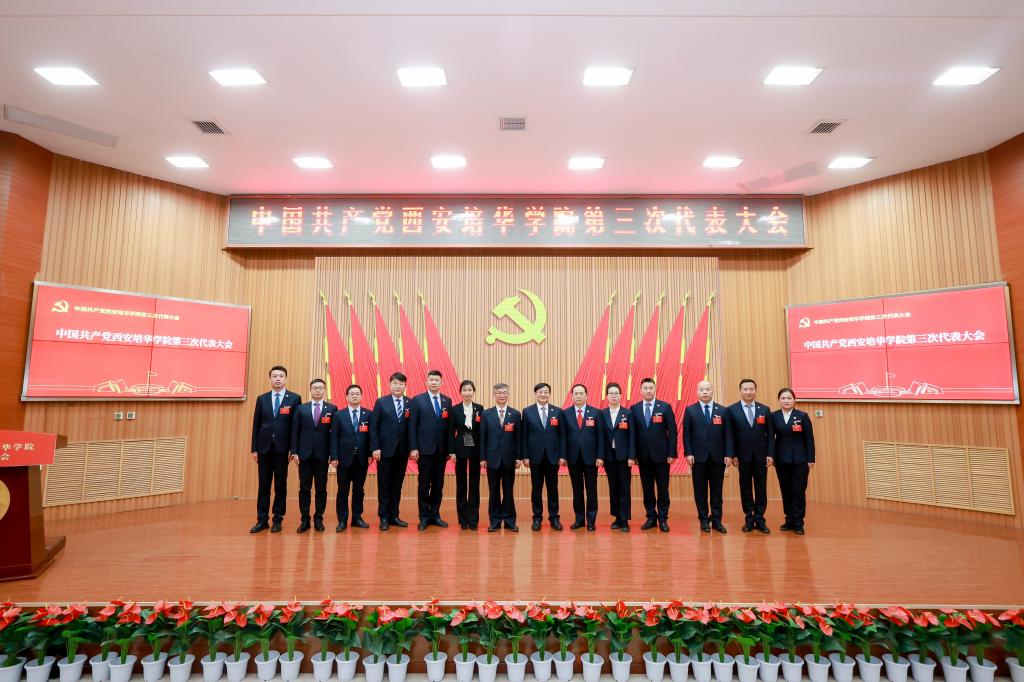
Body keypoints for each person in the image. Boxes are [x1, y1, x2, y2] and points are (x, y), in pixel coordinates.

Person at [249, 365, 302, 534]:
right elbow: (256, 425)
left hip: (283, 450)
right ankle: (262, 519)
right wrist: (254, 449)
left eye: (281, 376)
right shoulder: (262, 399)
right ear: (270, 379)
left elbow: (296, 427)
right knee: (263, 486)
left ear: (286, 379)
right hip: (264, 449)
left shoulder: (294, 399)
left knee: (280, 485)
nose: (278, 379)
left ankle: (278, 518)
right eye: (274, 376)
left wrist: (293, 449)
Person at [683, 380, 734, 534]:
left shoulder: (723, 410)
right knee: (700, 491)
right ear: (697, 392)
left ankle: (717, 520)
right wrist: (689, 453)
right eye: (702, 390)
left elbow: (728, 434)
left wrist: (729, 454)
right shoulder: (690, 410)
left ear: (712, 391)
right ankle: (704, 520)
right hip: (698, 458)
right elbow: (687, 434)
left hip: (718, 457)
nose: (705, 392)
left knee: (717, 491)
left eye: (707, 389)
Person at [726, 379, 774, 533]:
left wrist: (770, 454)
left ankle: (759, 519)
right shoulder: (731, 410)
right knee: (745, 488)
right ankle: (749, 518)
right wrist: (733, 454)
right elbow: (730, 435)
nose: (748, 392)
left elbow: (771, 435)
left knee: (761, 489)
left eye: (751, 389)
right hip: (742, 457)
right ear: (740, 391)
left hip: (761, 457)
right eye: (745, 389)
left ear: (755, 390)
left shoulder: (764, 409)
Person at [290, 378, 337, 533]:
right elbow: (295, 431)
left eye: (320, 387)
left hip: (323, 456)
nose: (318, 390)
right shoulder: (301, 408)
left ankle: (318, 519)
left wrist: (333, 454)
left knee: (321, 488)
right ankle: (305, 520)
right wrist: (294, 451)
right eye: (315, 388)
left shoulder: (332, 408)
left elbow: (334, 434)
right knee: (304, 488)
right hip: (304, 455)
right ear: (310, 390)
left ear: (324, 390)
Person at [629, 378, 677, 532]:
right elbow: (632, 434)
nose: (648, 390)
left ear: (655, 389)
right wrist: (633, 455)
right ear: (640, 390)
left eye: (651, 388)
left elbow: (673, 432)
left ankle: (663, 518)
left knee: (663, 488)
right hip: (643, 456)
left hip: (662, 456)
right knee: (647, 488)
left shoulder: (665, 407)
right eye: (645, 388)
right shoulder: (634, 409)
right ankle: (651, 517)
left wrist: (672, 453)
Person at [409, 370, 453, 530]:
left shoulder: (447, 401)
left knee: (438, 484)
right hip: (424, 450)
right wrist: (414, 447)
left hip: (441, 451)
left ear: (441, 382)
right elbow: (412, 425)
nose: (433, 382)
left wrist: (449, 449)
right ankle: (424, 516)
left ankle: (435, 514)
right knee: (424, 484)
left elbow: (449, 428)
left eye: (436, 380)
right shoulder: (417, 400)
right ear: (426, 382)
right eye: (431, 380)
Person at [370, 371, 414, 530]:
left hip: (402, 452)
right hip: (384, 451)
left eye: (401, 383)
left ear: (405, 386)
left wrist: (412, 448)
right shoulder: (381, 402)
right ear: (389, 385)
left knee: (397, 485)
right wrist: (375, 447)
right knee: (384, 485)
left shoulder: (410, 403)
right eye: (395, 383)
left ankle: (394, 515)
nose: (398, 386)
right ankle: (383, 517)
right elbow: (373, 427)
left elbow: (412, 428)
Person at [519, 382, 565, 531]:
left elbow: (562, 436)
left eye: (546, 392)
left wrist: (562, 455)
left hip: (553, 456)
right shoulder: (527, 411)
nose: (543, 394)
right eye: (540, 392)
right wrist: (525, 456)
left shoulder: (557, 411)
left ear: (549, 394)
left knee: (553, 488)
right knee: (536, 489)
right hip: (535, 457)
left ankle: (554, 517)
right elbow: (524, 436)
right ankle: (537, 518)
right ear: (535, 394)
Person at [479, 383, 523, 532]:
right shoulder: (486, 414)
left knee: (509, 491)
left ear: (508, 394)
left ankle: (510, 521)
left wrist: (518, 457)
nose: (502, 395)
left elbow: (518, 438)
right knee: (494, 492)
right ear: (494, 395)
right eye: (499, 393)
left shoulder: (515, 414)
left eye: (505, 393)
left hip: (510, 460)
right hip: (492, 459)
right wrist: (482, 458)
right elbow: (482, 438)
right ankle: (495, 521)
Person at [771, 387, 816, 535]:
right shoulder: (774, 416)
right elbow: (771, 438)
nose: (786, 401)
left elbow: (809, 439)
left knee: (798, 491)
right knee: (786, 491)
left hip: (800, 460)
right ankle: (789, 520)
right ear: (779, 400)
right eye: (783, 398)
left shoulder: (802, 416)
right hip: (781, 460)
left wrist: (811, 458)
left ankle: (798, 522)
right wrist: (771, 456)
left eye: (789, 398)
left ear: (794, 400)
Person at [331, 383, 373, 531]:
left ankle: (357, 517)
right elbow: (334, 437)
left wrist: (370, 454)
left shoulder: (368, 414)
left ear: (361, 396)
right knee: (343, 490)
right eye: (352, 394)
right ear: (347, 397)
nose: (355, 396)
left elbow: (371, 436)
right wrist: (334, 456)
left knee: (359, 490)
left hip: (362, 459)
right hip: (343, 459)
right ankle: (342, 520)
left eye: (357, 394)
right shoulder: (338, 415)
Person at [563, 383, 604, 530]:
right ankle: (579, 519)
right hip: (573, 457)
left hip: (591, 458)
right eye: (576, 393)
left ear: (586, 395)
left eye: (581, 393)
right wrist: (563, 456)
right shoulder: (565, 413)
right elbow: (563, 437)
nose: (579, 396)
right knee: (577, 490)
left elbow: (601, 437)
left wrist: (600, 456)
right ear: (572, 396)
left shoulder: (596, 413)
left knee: (591, 489)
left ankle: (591, 520)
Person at [599, 382, 636, 531]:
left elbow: (632, 436)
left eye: (616, 393)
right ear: (607, 396)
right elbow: (600, 437)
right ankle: (617, 517)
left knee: (624, 488)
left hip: (624, 457)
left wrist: (631, 456)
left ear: (621, 396)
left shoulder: (628, 413)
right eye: (611, 393)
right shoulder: (602, 414)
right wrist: (601, 456)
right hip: (609, 457)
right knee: (613, 487)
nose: (613, 396)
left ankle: (624, 519)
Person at [448, 380, 483, 530]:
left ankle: (473, 520)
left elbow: (482, 432)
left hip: (475, 448)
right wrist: (451, 451)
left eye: (470, 390)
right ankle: (463, 520)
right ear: (460, 392)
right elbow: (450, 432)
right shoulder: (454, 409)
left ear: (473, 392)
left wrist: (483, 453)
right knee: (461, 484)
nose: (467, 392)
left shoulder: (479, 408)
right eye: (464, 390)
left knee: (474, 484)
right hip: (460, 447)